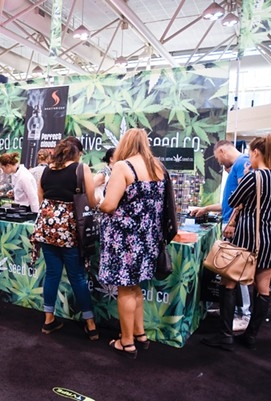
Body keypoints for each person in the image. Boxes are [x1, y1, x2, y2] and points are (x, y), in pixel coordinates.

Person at [202, 134, 271, 351]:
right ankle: (251, 336)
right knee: (263, 288)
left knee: (229, 282)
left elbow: (232, 201)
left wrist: (243, 180)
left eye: (250, 153)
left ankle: (225, 334)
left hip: (248, 235)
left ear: (257, 152)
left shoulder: (254, 177)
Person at [98, 128, 165, 359]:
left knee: (125, 289)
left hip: (125, 239)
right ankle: (140, 334)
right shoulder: (157, 167)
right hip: (147, 237)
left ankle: (126, 342)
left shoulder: (122, 167)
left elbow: (109, 205)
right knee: (135, 287)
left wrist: (98, 203)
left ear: (124, 143)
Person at [32, 136, 99, 341]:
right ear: (77, 153)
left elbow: (41, 198)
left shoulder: (46, 170)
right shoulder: (81, 169)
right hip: (70, 229)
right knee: (77, 276)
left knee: (52, 274)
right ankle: (90, 324)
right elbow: (92, 201)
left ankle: (48, 319)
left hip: (47, 227)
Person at [191, 139, 252, 332]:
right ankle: (231, 310)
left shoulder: (242, 163)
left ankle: (243, 313)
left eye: (217, 157)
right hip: (230, 223)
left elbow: (243, 198)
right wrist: (206, 208)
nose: (218, 162)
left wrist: (232, 222)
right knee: (229, 272)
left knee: (236, 270)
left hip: (234, 226)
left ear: (223, 151)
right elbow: (229, 202)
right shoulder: (239, 165)